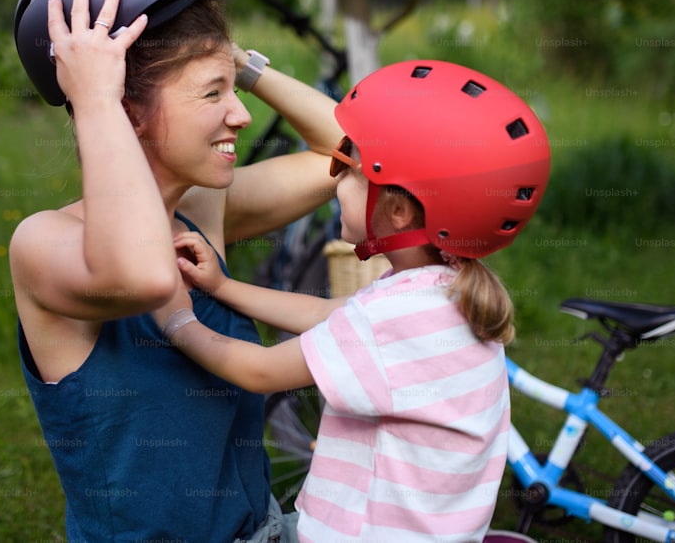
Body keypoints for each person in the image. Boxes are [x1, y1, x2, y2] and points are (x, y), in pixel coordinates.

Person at [9, 0, 343, 542]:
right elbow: (143, 277)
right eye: (214, 94)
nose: (241, 114)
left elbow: (352, 154)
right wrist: (95, 101)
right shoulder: (43, 244)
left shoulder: (200, 211)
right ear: (128, 111)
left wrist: (239, 62)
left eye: (232, 90)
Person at [153, 60, 552, 542]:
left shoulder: (394, 316)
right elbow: (326, 315)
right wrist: (221, 286)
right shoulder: (444, 291)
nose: (333, 180)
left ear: (399, 210)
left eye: (346, 168)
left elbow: (258, 371)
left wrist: (175, 318)